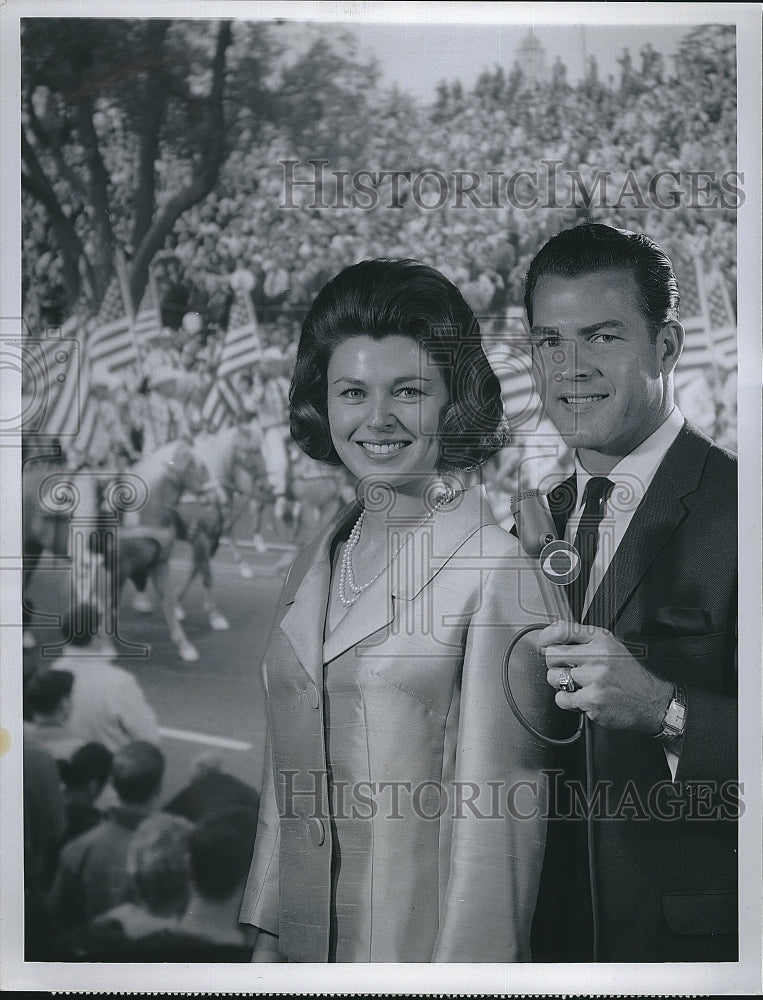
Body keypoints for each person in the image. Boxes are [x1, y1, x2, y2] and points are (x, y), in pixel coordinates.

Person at [240, 258, 554, 962]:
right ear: (323, 403)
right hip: (301, 954)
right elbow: (285, 779)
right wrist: (266, 934)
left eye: (407, 390)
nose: (375, 419)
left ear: (454, 402)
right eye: (352, 391)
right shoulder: (316, 553)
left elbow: (497, 844)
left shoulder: (495, 572)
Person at [523, 223, 737, 962]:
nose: (569, 367)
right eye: (549, 342)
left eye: (601, 337)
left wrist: (663, 710)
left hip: (688, 954)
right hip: (538, 944)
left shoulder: (746, 508)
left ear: (668, 347)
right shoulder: (529, 520)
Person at [46, 740, 166, 957]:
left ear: (114, 784)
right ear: (158, 787)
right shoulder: (178, 846)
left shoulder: (80, 848)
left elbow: (54, 916)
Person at [51, 604, 160, 753]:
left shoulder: (54, 671)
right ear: (96, 634)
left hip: (68, 763)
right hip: (110, 766)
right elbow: (148, 736)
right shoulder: (120, 682)